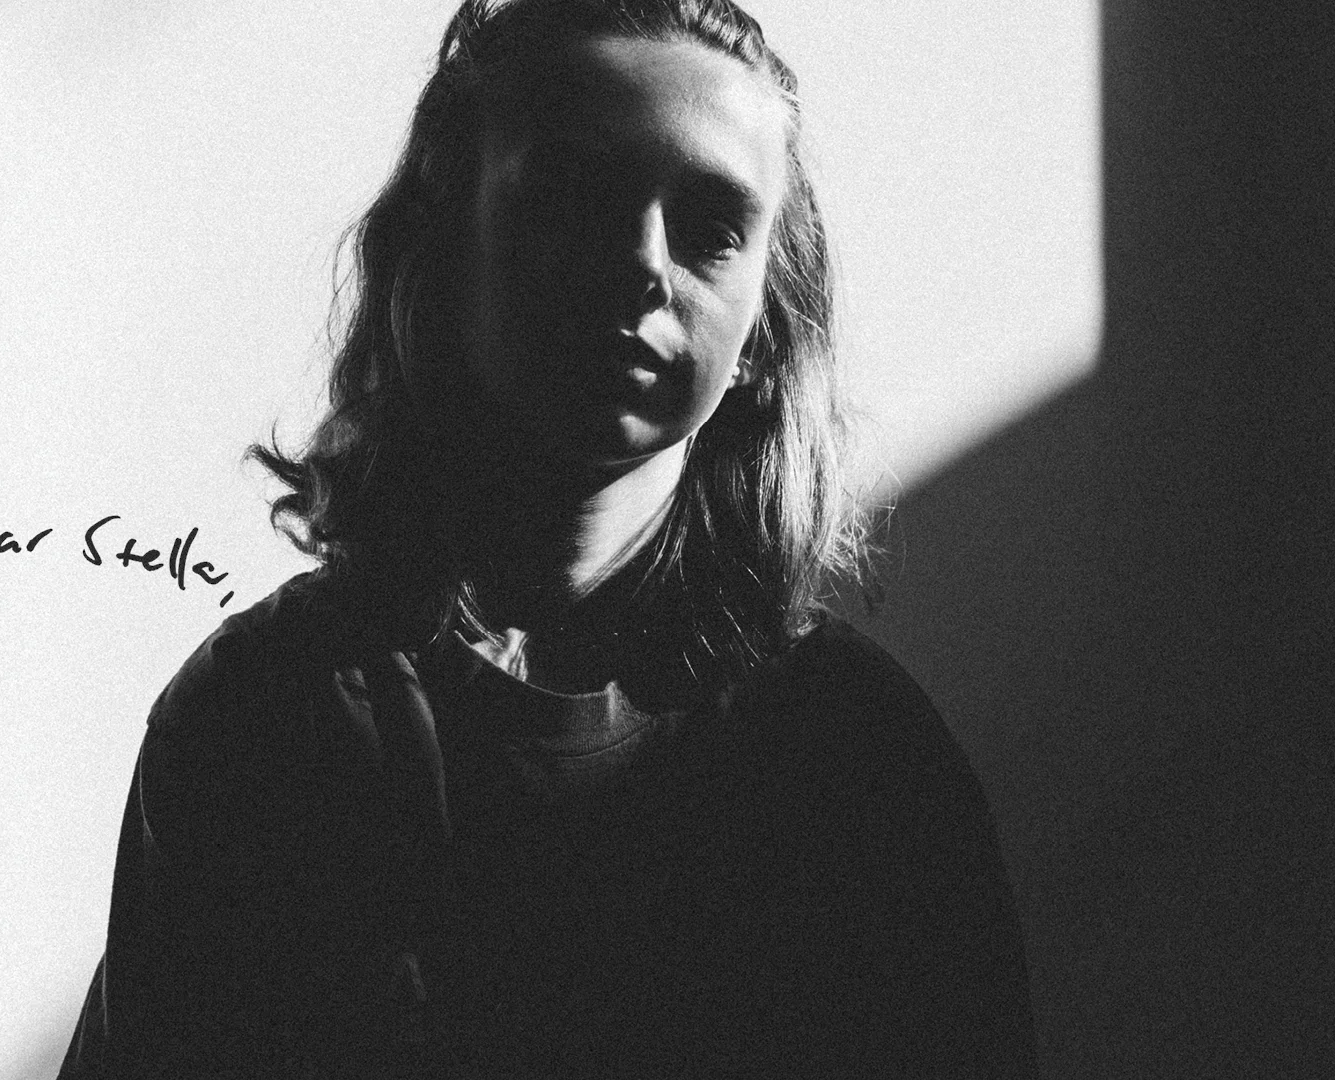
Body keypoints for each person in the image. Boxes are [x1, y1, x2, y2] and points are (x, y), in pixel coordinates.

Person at [60, 1, 1035, 1076]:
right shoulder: (259, 721)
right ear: (445, 243)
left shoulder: (856, 762)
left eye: (712, 228)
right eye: (577, 196)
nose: (644, 263)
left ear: (763, 325)